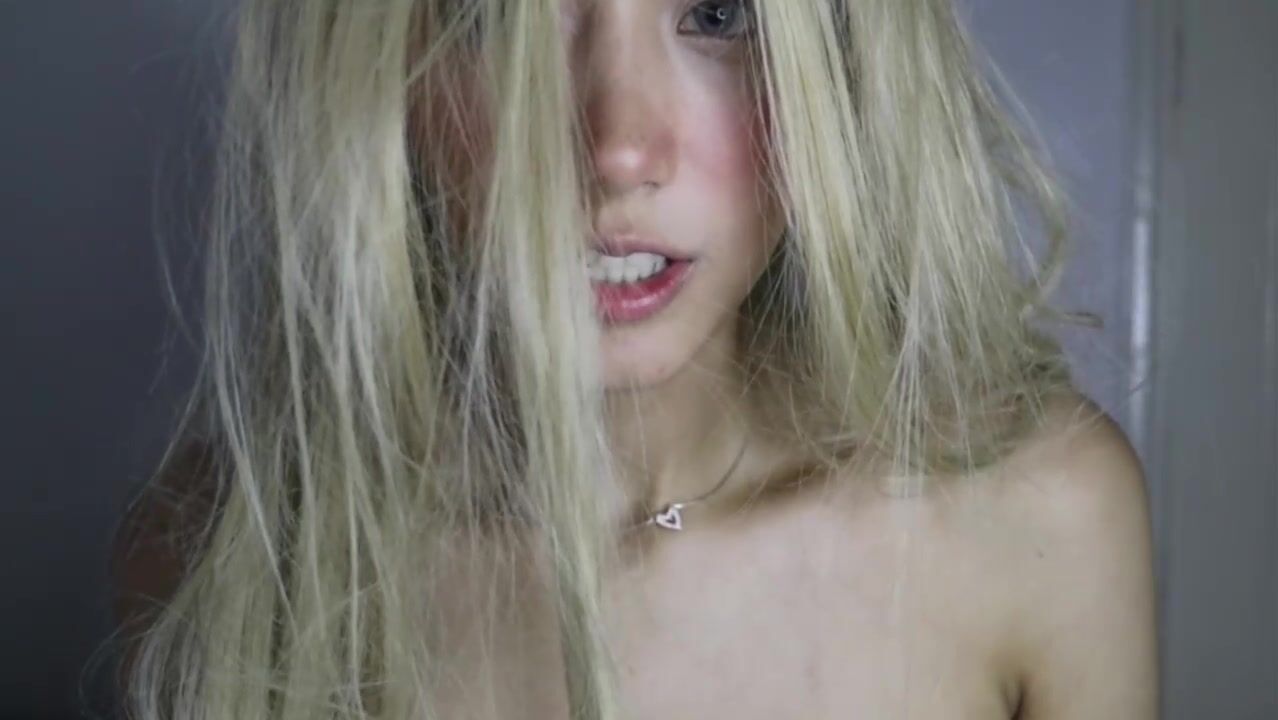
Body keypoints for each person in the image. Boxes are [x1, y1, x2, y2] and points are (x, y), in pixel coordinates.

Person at [110, 0, 1158, 718]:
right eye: (503, 20)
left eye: (718, 13)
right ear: (383, 76)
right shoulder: (222, 564)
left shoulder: (1039, 521)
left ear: (845, 67)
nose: (615, 148)